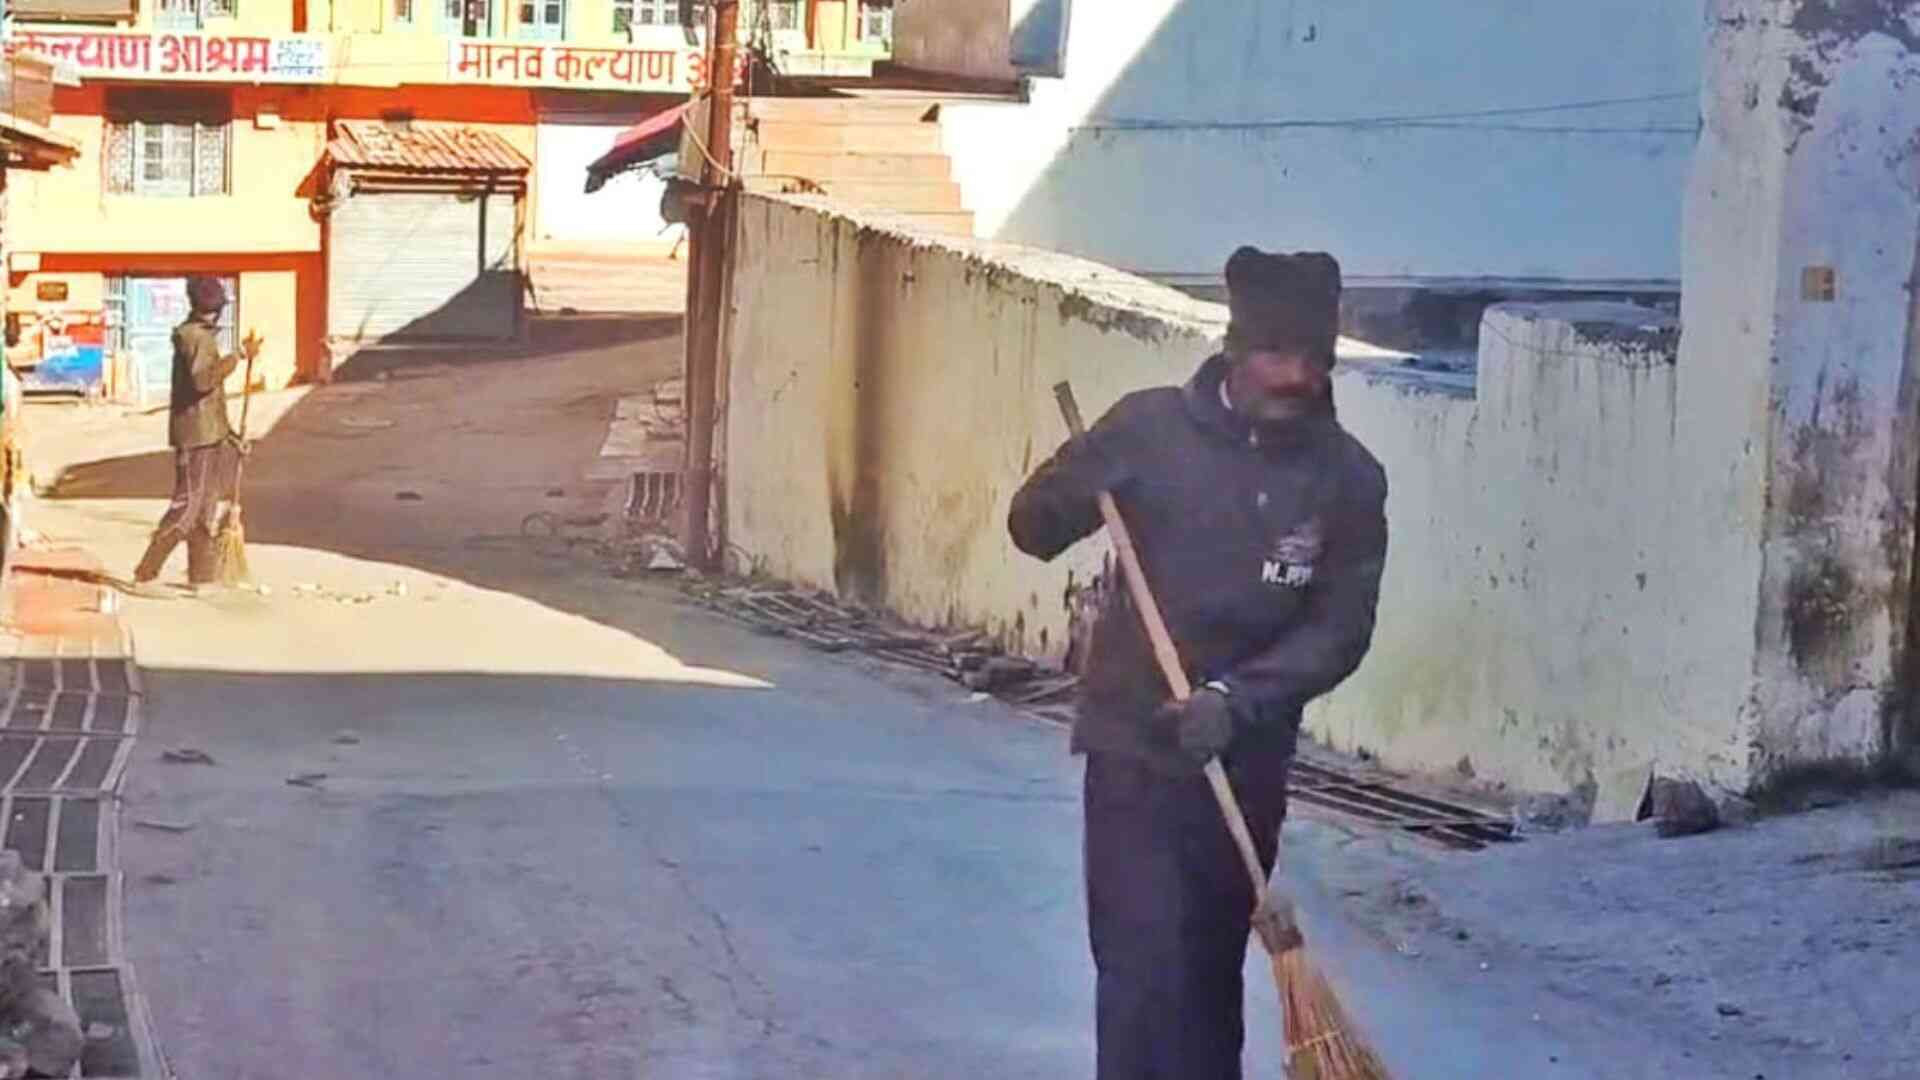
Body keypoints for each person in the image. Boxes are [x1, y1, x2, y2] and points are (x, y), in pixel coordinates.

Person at [1006, 247, 1389, 1080]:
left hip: (1241, 760)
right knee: (1144, 973)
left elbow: (1340, 630)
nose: (1295, 376)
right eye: (1276, 354)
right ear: (1236, 348)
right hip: (1134, 749)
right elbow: (1032, 530)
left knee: (1207, 975)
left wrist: (1235, 698)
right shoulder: (1148, 429)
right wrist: (1074, 485)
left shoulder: (1348, 479)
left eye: (1313, 359)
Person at [131, 276, 258, 592]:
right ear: (216, 310)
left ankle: (201, 575)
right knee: (187, 507)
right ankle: (145, 573)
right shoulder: (195, 338)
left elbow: (211, 401)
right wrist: (239, 357)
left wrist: (230, 436)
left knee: (206, 508)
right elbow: (204, 382)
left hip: (209, 433)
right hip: (195, 436)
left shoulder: (200, 336)